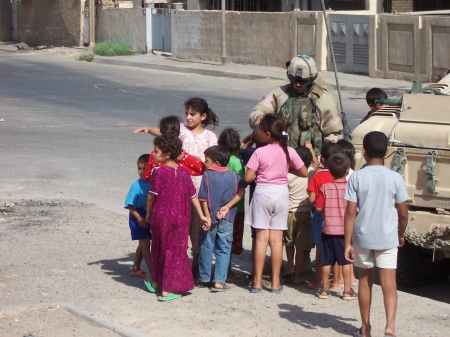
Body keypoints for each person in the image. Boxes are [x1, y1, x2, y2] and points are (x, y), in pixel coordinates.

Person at [134, 97, 219, 279]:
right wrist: (148, 130)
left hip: (198, 188)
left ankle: (194, 265)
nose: (188, 117)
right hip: (176, 189)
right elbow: (165, 133)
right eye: (187, 113)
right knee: (179, 229)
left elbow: (211, 162)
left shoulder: (210, 137)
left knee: (197, 229)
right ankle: (178, 266)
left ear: (203, 116)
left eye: (192, 114)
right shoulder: (181, 130)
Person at [344, 131, 408, 337]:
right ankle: (390, 326)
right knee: (389, 283)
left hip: (363, 236)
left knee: (365, 280)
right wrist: (401, 233)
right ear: (387, 152)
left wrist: (347, 242)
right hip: (388, 236)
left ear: (363, 151)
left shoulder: (357, 177)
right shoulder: (395, 177)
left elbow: (351, 212)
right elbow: (403, 213)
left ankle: (365, 327)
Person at [244, 114, 308, 294]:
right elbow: (303, 172)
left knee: (261, 239)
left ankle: (256, 282)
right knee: (277, 240)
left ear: (267, 133)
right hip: (281, 194)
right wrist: (286, 169)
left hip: (263, 192)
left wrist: (258, 172)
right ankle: (275, 282)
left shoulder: (259, 152)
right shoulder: (288, 151)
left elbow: (248, 177)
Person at [144, 134, 210, 301]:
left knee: (159, 248)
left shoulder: (158, 172)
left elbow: (152, 196)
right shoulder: (184, 173)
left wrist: (148, 213)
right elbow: (193, 196)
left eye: (157, 151)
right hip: (180, 219)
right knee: (175, 252)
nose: (154, 154)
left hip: (161, 218)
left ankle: (160, 284)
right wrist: (202, 215)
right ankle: (167, 286)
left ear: (167, 154)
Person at [248, 54, 345, 156]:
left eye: (303, 81)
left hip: (310, 161)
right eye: (294, 80)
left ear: (311, 79)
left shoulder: (324, 100)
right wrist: (259, 117)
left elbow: (333, 138)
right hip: (280, 158)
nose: (297, 84)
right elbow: (257, 112)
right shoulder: (280, 95)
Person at [197, 145, 245, 291]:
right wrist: (228, 206)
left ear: (216, 162)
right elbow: (241, 192)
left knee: (206, 246)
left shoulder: (207, 175)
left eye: (207, 160)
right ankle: (219, 281)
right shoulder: (234, 176)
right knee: (224, 248)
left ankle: (204, 278)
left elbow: (203, 199)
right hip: (227, 216)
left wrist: (206, 216)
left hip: (210, 217)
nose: (205, 163)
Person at [315, 153, 357, 300]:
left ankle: (324, 289)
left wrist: (326, 214)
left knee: (325, 261)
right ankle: (346, 290)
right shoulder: (351, 188)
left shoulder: (325, 187)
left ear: (330, 171)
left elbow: (318, 207)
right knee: (345, 261)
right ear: (347, 170)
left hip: (328, 229)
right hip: (345, 232)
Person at [306, 142, 342, 290]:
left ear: (323, 159)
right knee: (337, 250)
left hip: (321, 216)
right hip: (339, 217)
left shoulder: (318, 176)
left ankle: (318, 280)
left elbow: (312, 200)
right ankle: (335, 281)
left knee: (321, 250)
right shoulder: (342, 175)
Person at [283, 142, 318, 286]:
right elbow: (316, 163)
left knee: (289, 242)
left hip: (289, 212)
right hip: (305, 213)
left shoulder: (288, 173)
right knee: (301, 245)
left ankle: (290, 266)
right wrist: (311, 149)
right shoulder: (310, 171)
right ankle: (298, 274)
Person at [218, 128, 246, 283]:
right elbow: (242, 184)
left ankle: (219, 270)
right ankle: (227, 272)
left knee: (219, 239)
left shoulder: (218, 158)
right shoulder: (236, 162)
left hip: (217, 205)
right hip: (235, 207)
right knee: (229, 241)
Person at [139, 116, 204, 181]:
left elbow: (147, 176)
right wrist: (198, 160)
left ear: (161, 132)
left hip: (159, 190)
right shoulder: (182, 155)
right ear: (178, 133)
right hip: (178, 190)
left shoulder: (155, 153)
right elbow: (201, 168)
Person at [124, 154, 152, 278]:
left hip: (148, 215)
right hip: (137, 217)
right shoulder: (136, 186)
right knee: (145, 243)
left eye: (144, 168)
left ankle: (135, 268)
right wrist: (139, 218)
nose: (141, 172)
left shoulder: (154, 182)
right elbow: (130, 205)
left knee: (142, 243)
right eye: (139, 168)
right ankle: (153, 271)